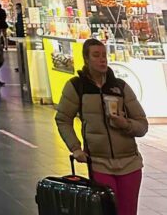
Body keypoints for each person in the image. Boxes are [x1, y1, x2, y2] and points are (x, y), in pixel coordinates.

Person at [55, 38, 148, 215]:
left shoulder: (120, 87)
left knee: (128, 211)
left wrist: (125, 124)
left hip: (130, 163)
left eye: (104, 55)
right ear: (86, 59)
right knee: (107, 211)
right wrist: (75, 148)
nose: (102, 59)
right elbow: (63, 119)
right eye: (96, 55)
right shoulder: (77, 87)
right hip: (99, 163)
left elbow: (142, 125)